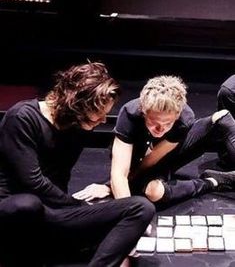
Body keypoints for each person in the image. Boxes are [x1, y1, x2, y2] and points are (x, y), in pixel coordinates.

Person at [0, 62, 155, 267]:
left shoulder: (76, 126)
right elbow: (33, 182)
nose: (103, 120)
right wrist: (76, 205)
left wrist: (90, 211)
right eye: (98, 113)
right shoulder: (22, 117)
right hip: (17, 210)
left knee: (141, 207)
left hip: (56, 214)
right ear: (77, 103)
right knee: (28, 205)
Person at [76, 75, 235, 206]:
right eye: (154, 123)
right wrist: (111, 187)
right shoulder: (129, 115)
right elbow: (120, 172)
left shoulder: (184, 118)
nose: (160, 129)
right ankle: (212, 181)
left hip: (159, 156)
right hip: (135, 163)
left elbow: (153, 160)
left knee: (222, 118)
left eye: (167, 124)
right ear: (144, 112)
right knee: (154, 192)